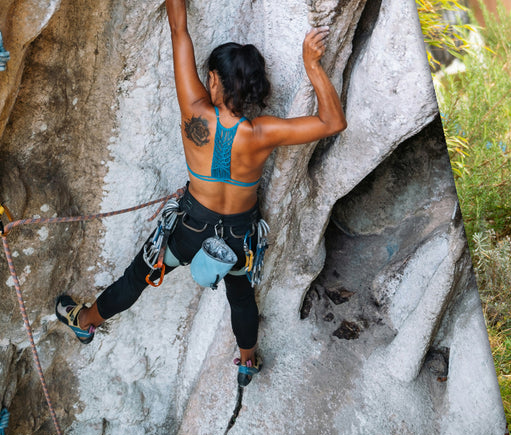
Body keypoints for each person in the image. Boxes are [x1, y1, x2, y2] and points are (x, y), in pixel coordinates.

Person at [54, 0, 346, 386]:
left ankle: (86, 321)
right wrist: (311, 65)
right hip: (238, 235)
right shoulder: (264, 133)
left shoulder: (193, 109)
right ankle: (246, 362)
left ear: (213, 80)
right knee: (240, 296)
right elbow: (333, 121)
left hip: (190, 228)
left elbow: (179, 31)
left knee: (137, 276)